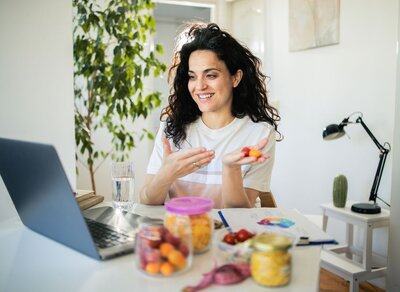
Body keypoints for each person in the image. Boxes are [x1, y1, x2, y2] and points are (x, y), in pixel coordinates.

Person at [139, 22, 281, 208]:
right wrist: (166, 174)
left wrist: (231, 169)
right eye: (192, 76)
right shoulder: (171, 128)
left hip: (228, 234)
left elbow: (239, 214)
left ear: (235, 78)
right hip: (178, 231)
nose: (199, 86)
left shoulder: (259, 133)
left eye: (211, 75)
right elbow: (147, 200)